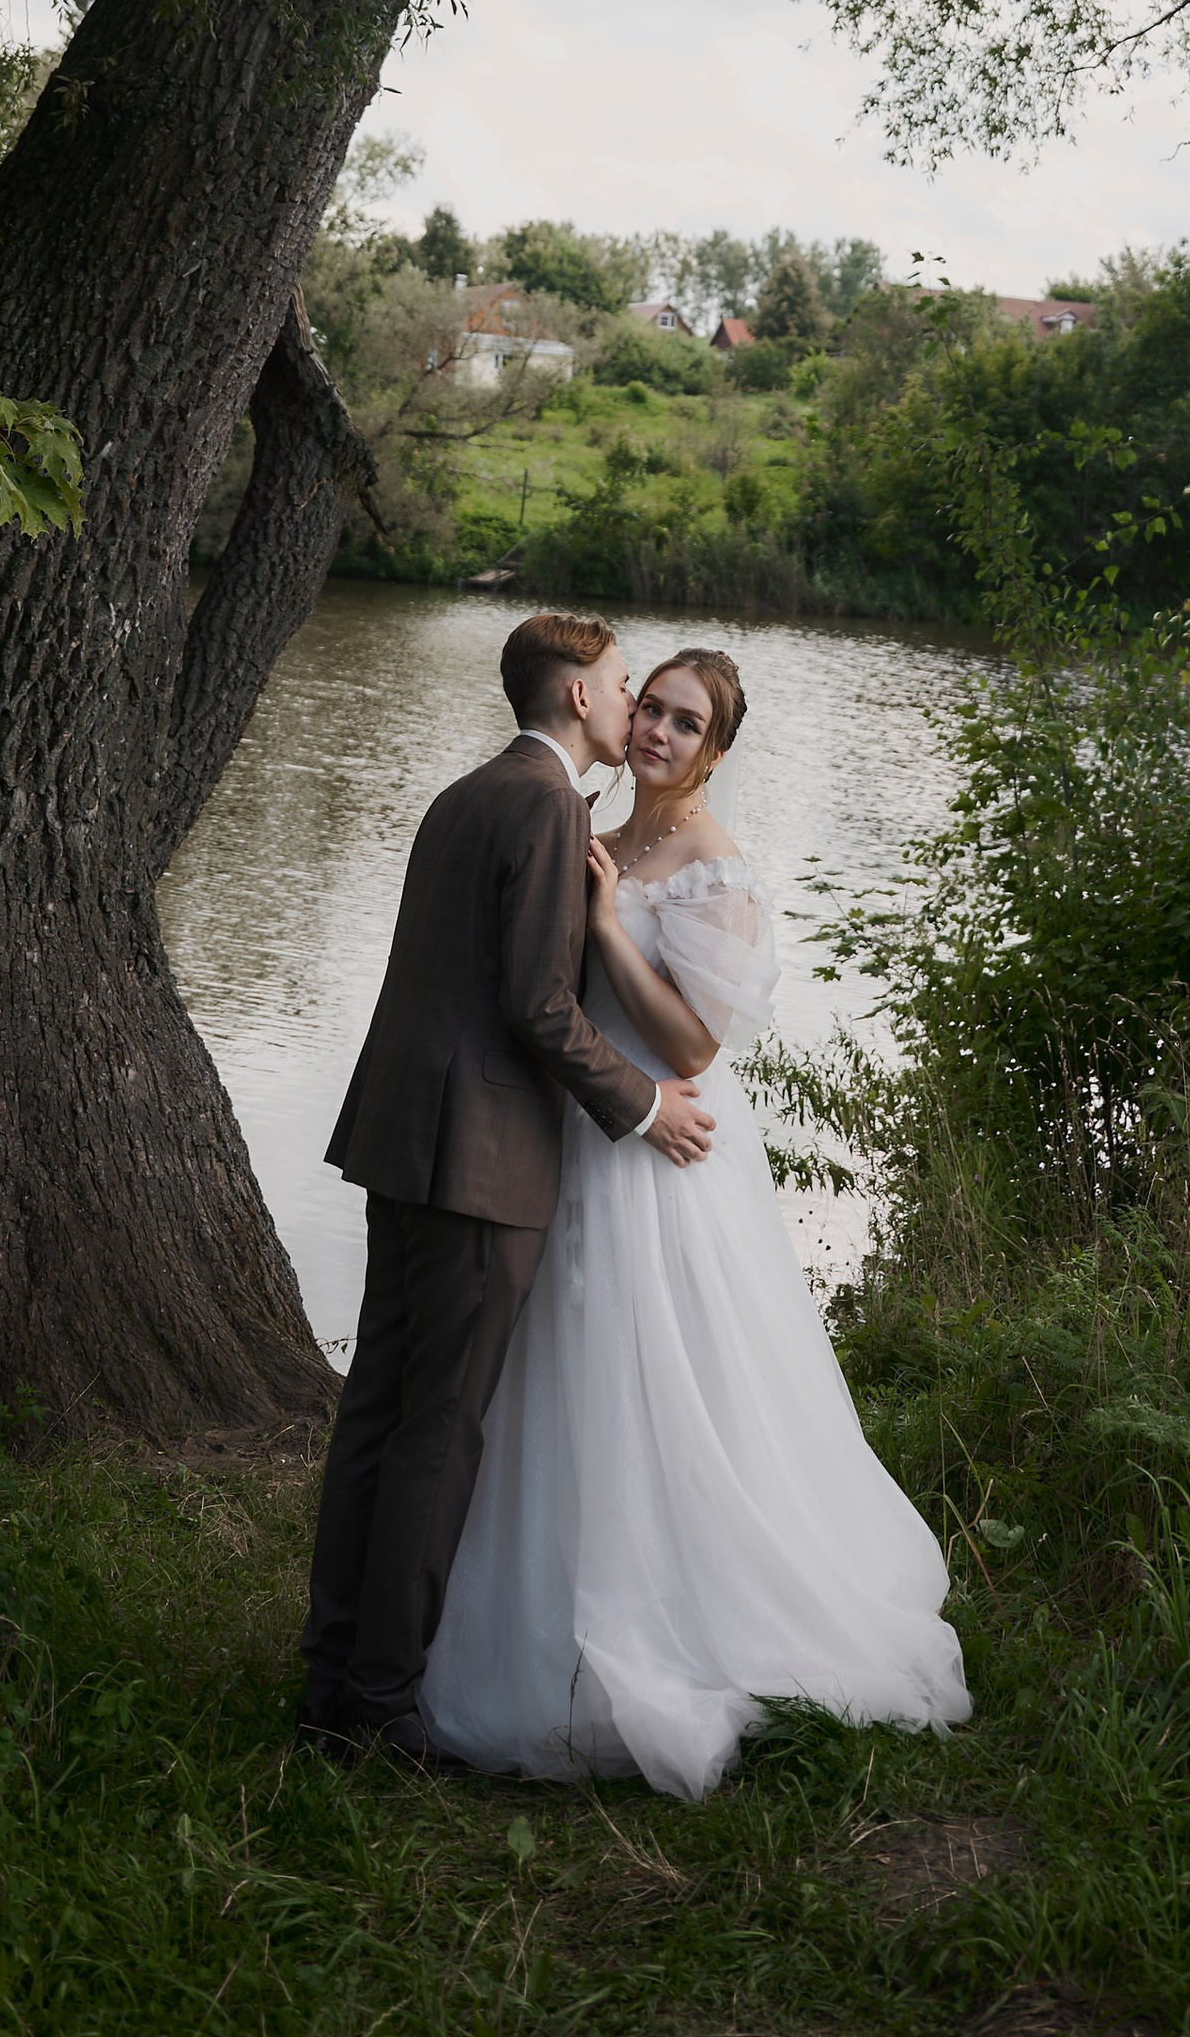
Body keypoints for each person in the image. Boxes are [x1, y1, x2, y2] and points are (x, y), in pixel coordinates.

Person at [420, 646, 970, 1798]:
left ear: (715, 749)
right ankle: (527, 1619)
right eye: (651, 707)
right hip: (570, 1135)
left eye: (686, 720)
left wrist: (613, 923)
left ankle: (671, 1624)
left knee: (650, 1378)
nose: (660, 730)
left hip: (661, 1155)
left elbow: (692, 1047)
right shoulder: (586, 831)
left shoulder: (717, 872)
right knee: (551, 1376)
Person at [300, 610, 716, 1764]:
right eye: (628, 683)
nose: (637, 705)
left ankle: (329, 1674)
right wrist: (642, 1103)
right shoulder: (541, 804)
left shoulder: (470, 790)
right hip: (479, 1162)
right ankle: (380, 1707)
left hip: (407, 1142)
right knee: (436, 1431)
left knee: (376, 1415)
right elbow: (538, 1003)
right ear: (578, 695)